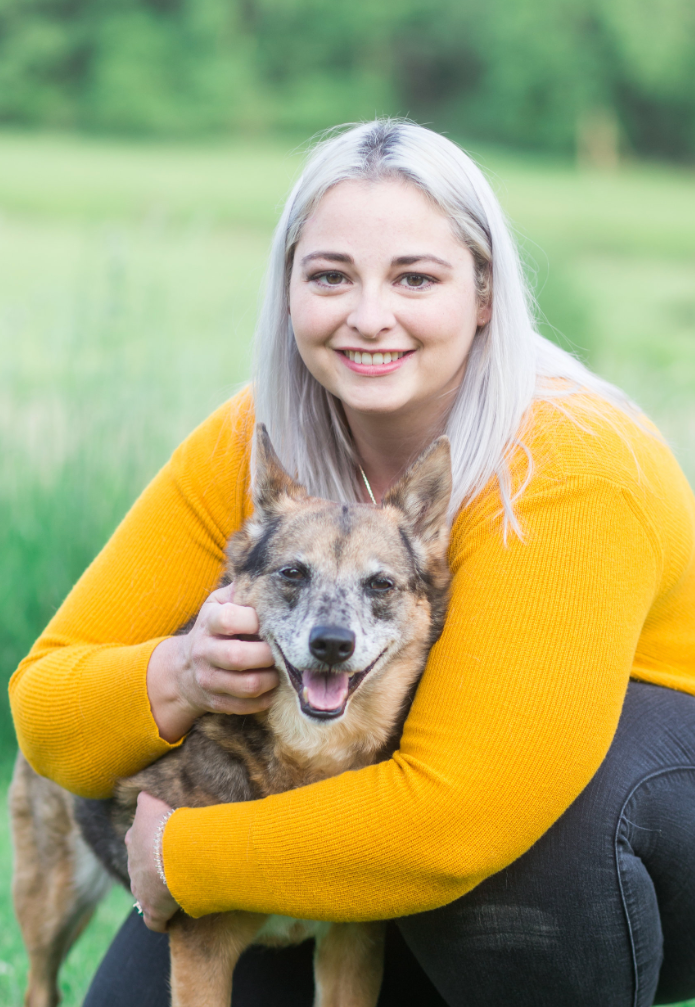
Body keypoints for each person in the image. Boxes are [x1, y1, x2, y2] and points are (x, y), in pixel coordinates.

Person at [9, 119, 695, 1007]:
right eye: (330, 275)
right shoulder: (253, 443)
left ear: (483, 293)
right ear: (287, 288)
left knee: (529, 867)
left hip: (617, 840)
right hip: (362, 832)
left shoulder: (571, 464)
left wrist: (185, 856)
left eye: (415, 277)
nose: (369, 316)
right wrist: (179, 670)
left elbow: (457, 820)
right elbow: (48, 713)